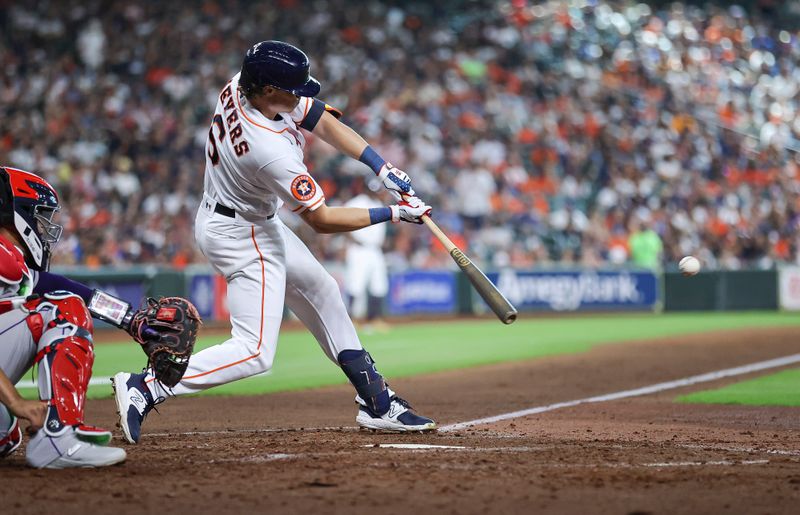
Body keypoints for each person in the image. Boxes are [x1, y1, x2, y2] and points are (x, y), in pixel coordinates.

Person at [112, 40, 436, 443]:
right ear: (268, 91)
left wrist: (381, 167)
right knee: (254, 352)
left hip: (239, 216)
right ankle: (149, 386)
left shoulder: (243, 84)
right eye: (293, 88)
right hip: (243, 233)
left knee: (323, 291)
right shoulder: (267, 150)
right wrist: (393, 213)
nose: (301, 94)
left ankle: (377, 402)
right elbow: (321, 219)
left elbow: (321, 118)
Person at [0, 166, 155, 468]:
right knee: (63, 309)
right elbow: (67, 296)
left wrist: (130, 319)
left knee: (6, 433)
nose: (45, 227)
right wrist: (16, 402)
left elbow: (63, 285)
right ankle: (58, 437)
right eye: (41, 215)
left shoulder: (8, 258)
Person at [344, 179, 391, 332]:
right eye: (372, 189)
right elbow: (343, 225)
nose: (375, 192)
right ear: (365, 189)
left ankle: (374, 319)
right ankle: (351, 320)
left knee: (379, 284)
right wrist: (353, 239)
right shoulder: (355, 202)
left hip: (375, 250)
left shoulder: (378, 203)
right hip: (359, 249)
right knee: (355, 284)